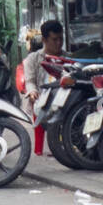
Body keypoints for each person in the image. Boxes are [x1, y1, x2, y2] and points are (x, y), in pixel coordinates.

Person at [22, 19, 65, 156]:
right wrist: (33, 91)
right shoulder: (33, 59)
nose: (59, 43)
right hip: (41, 100)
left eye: (61, 39)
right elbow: (30, 81)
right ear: (45, 40)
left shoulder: (68, 58)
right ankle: (40, 150)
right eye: (54, 39)